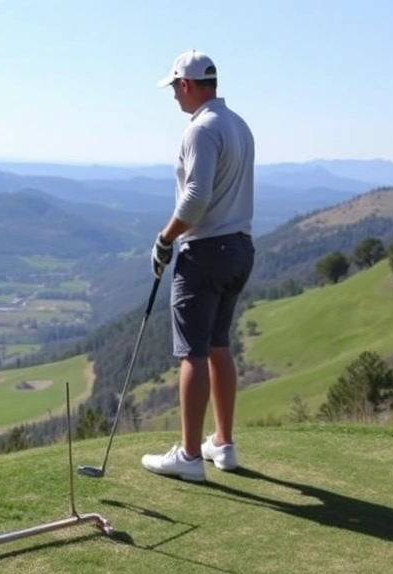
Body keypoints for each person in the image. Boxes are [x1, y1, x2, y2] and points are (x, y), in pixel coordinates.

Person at [141, 50, 256, 482]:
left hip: (204, 252)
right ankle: (222, 445)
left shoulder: (200, 130)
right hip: (239, 248)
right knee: (219, 345)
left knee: (192, 352)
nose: (173, 96)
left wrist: (165, 238)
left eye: (174, 88)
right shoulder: (238, 125)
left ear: (187, 84)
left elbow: (195, 197)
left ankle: (189, 455)